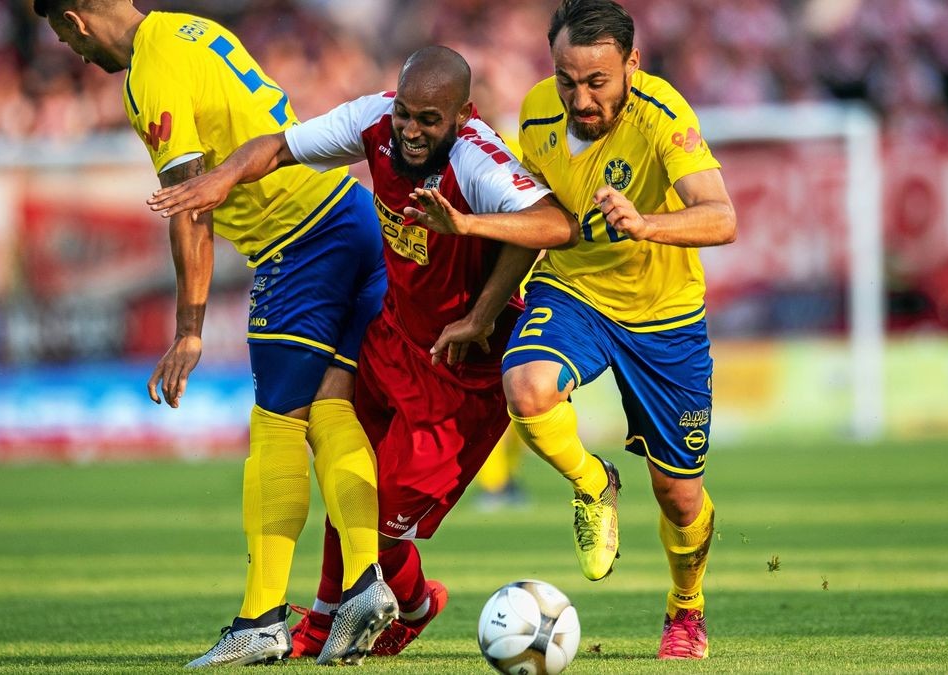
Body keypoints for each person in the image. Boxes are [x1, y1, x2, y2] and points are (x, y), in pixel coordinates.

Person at [147, 46, 578, 659]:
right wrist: (220, 178)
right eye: (406, 112)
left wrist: (473, 265)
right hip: (393, 341)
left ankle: (418, 603)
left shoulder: (479, 159)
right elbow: (279, 145)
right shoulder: (374, 121)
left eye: (429, 119)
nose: (410, 129)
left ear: (462, 115)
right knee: (346, 479)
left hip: (462, 375)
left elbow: (555, 225)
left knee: (378, 520)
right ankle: (321, 627)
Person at [33, 1, 397, 667]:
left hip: (300, 240)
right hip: (351, 212)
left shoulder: (150, 67)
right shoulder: (193, 28)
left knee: (276, 426)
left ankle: (261, 619)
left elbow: (190, 203)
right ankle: (366, 582)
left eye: (61, 34)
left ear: (75, 21)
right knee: (329, 408)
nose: (72, 52)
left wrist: (189, 329)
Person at [496, 0, 737, 660]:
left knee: (680, 496)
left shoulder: (664, 114)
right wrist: (486, 308)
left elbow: (721, 217)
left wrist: (646, 223)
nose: (579, 97)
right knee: (527, 387)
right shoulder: (535, 112)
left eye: (596, 81)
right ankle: (593, 482)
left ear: (631, 65)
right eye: (566, 79)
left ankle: (686, 609)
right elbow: (539, 222)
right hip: (574, 289)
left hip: (664, 316)